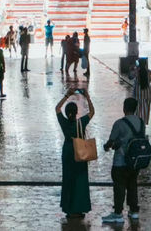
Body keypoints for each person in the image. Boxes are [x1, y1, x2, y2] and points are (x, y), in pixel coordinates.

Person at [55, 87, 95, 218]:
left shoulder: (64, 123)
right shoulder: (81, 122)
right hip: (80, 152)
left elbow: (57, 108)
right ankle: (79, 208)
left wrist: (67, 95)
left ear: (67, 113)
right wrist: (87, 97)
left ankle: (69, 208)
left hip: (67, 152)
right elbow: (92, 112)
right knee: (80, 180)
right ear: (77, 112)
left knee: (68, 179)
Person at [102, 96, 144, 223]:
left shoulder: (119, 123)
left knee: (119, 187)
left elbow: (111, 141)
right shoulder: (141, 123)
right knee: (132, 185)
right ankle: (134, 211)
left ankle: (118, 213)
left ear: (124, 108)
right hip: (135, 162)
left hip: (120, 161)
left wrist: (106, 146)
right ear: (135, 109)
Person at [133, 58, 151, 125]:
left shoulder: (136, 72)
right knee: (146, 110)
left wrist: (134, 68)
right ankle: (144, 125)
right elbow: (149, 80)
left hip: (138, 94)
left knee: (137, 110)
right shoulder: (149, 72)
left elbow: (130, 76)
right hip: (147, 94)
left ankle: (137, 125)